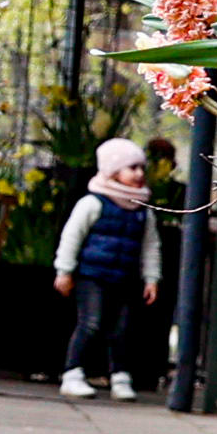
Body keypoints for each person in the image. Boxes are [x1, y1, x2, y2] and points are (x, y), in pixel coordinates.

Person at [53, 136, 161, 401]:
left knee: (122, 329)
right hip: (93, 276)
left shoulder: (143, 210)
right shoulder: (93, 203)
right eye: (131, 168)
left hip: (125, 278)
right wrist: (64, 270)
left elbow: (151, 246)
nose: (139, 174)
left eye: (141, 168)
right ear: (113, 171)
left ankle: (120, 377)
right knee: (90, 323)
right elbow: (72, 236)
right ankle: (72, 373)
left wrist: (151, 278)